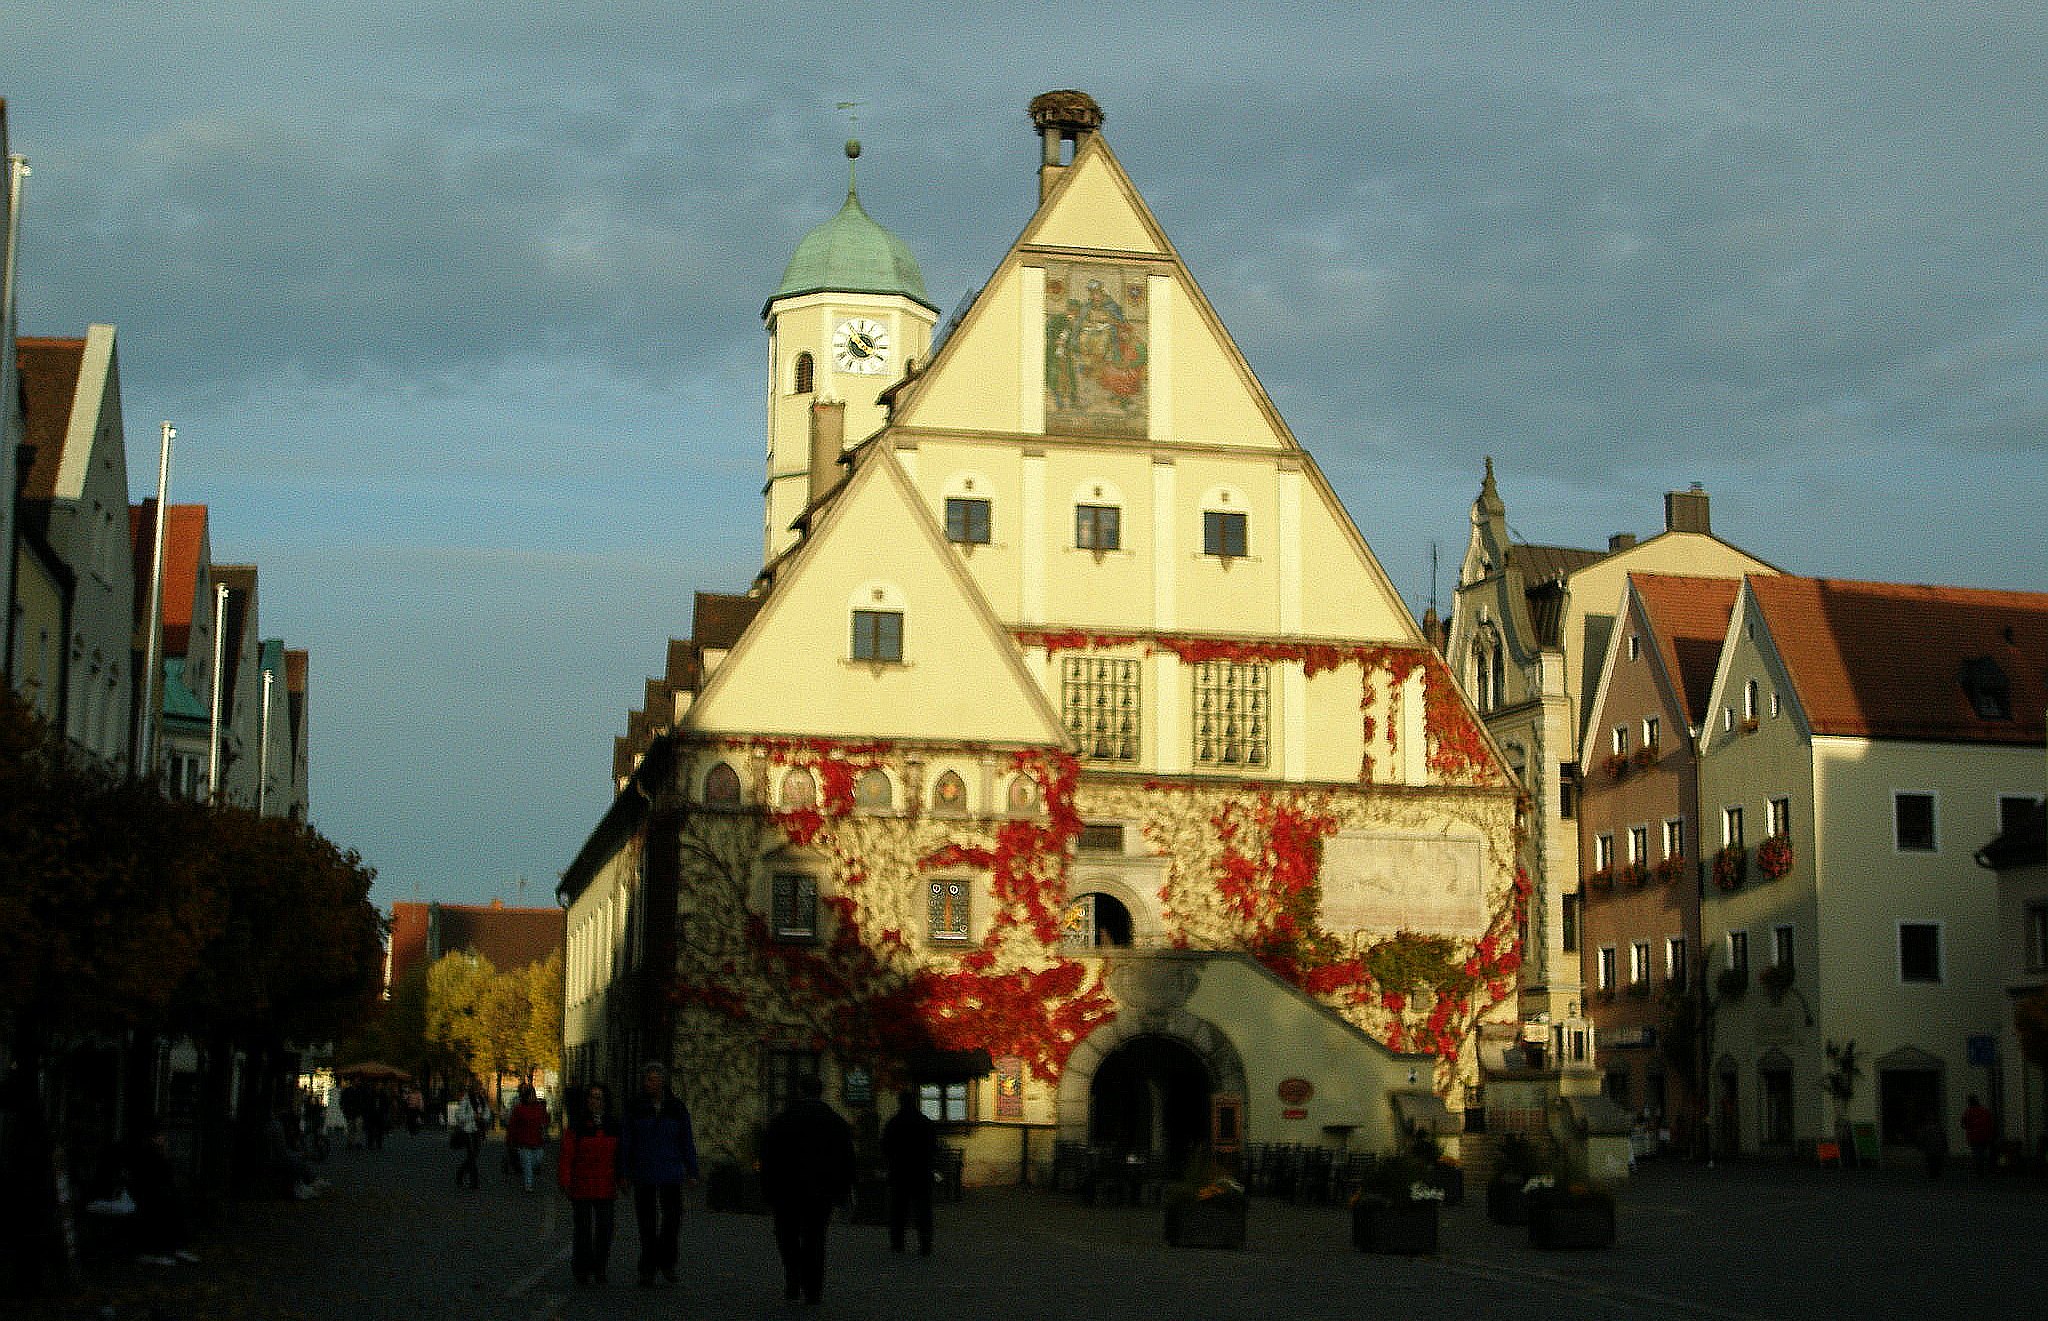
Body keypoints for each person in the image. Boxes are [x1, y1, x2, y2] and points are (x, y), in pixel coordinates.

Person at [759, 1074, 855, 1305]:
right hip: (822, 1192)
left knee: (788, 1236)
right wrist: (843, 1191)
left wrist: (767, 1189)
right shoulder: (835, 1121)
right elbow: (848, 1160)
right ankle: (813, 1289)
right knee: (815, 1239)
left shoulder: (783, 1120)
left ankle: (793, 1279)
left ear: (801, 1091)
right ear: (821, 1092)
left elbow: (768, 1156)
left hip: (787, 1190)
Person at [619, 1062, 700, 1287]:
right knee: (647, 1223)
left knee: (672, 1221)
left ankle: (666, 1261)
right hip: (644, 1171)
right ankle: (648, 1265)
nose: (648, 1084)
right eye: (646, 1080)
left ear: (662, 1082)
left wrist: (692, 1170)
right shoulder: (635, 1107)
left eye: (652, 1080)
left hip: (670, 1172)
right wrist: (624, 1171)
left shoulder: (676, 1108)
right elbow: (626, 1141)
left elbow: (686, 1141)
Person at [558, 1084, 623, 1285]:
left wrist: (622, 1177)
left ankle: (599, 1266)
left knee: (605, 1228)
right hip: (582, 1184)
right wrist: (565, 1180)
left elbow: (620, 1155)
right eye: (592, 1097)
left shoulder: (613, 1125)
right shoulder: (578, 1126)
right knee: (583, 1231)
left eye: (599, 1098)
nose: (595, 1102)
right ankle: (582, 1268)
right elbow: (567, 1154)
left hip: (605, 1184)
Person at [880, 1088, 938, 1256]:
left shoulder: (894, 1123)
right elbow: (934, 1147)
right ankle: (925, 1243)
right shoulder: (925, 1122)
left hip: (900, 1172)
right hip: (921, 1172)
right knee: (923, 1209)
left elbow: (885, 1147)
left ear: (900, 1103)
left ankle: (898, 1243)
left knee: (898, 1208)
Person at [507, 1083, 551, 1192]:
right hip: (523, 1142)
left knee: (537, 1159)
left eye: (534, 1095)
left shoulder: (539, 1108)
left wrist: (545, 1127)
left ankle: (526, 1171)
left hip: (537, 1141)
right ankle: (528, 1185)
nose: (533, 1097)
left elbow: (545, 1121)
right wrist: (510, 1139)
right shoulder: (519, 1109)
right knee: (527, 1164)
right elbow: (513, 1125)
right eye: (531, 1095)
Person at [454, 1083, 489, 1189]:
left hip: (479, 1130)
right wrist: (472, 1116)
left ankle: (461, 1173)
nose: (478, 1091)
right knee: (472, 1155)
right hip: (468, 1130)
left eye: (479, 1089)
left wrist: (483, 1117)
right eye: (476, 1089)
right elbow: (459, 1116)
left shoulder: (482, 1100)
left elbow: (487, 1112)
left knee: (474, 1155)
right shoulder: (466, 1100)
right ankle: (474, 1180)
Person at [1961, 1094, 1997, 1175]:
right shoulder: (1984, 1111)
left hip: (1973, 1136)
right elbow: (1990, 1123)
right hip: (1985, 1135)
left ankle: (1979, 1168)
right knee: (1982, 1151)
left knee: (1976, 1152)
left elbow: (1963, 1124)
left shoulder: (1968, 1112)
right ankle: (1984, 1167)